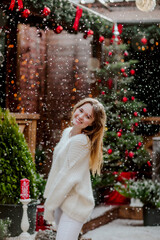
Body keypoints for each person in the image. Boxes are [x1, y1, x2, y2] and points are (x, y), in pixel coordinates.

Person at [43, 97, 106, 240]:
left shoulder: (81, 142)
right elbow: (57, 169)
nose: (81, 116)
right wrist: (50, 199)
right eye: (81, 110)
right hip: (62, 200)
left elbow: (66, 176)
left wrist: (49, 205)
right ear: (76, 108)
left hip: (75, 204)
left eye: (88, 116)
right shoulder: (68, 132)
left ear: (92, 123)